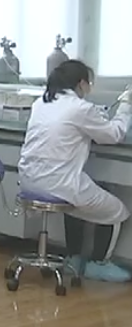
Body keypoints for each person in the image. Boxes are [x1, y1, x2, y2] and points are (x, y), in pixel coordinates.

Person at [18, 59, 132, 283]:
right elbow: (114, 134)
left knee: (77, 203)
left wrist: (94, 115)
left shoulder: (42, 103)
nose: (89, 88)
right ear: (81, 83)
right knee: (118, 211)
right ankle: (98, 264)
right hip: (59, 184)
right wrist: (126, 105)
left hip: (29, 182)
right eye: (89, 83)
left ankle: (74, 258)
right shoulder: (80, 108)